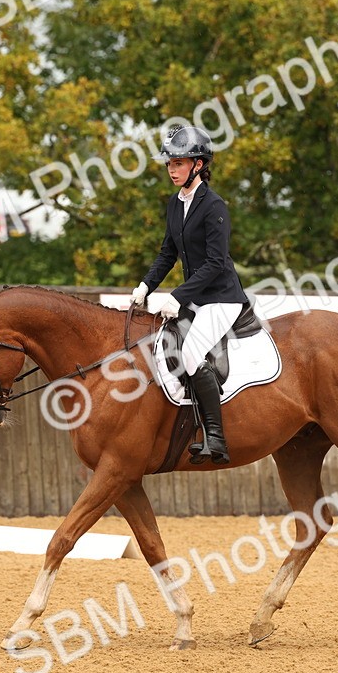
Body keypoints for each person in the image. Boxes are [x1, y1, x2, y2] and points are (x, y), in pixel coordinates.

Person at [131, 124, 249, 465]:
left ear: (198, 164)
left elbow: (215, 262)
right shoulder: (175, 204)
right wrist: (145, 286)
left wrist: (179, 296)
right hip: (195, 298)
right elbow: (168, 254)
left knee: (192, 354)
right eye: (169, 164)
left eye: (178, 163)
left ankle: (216, 437)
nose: (172, 169)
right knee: (161, 349)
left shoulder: (214, 206)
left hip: (221, 298)